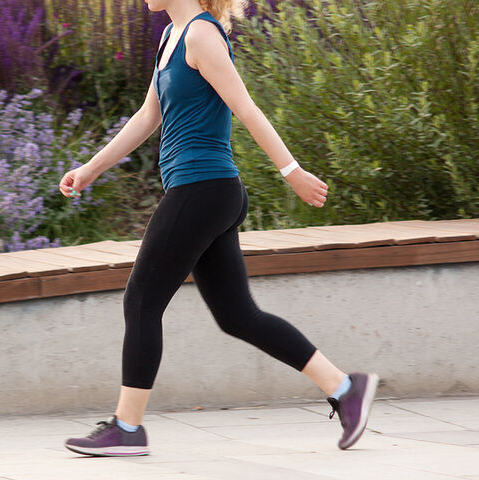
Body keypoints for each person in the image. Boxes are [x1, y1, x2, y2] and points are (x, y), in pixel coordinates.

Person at [57, 0, 378, 456]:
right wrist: (91, 169)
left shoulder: (201, 36)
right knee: (237, 316)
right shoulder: (170, 37)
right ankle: (345, 389)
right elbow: (148, 117)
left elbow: (246, 108)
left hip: (202, 189)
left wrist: (292, 172)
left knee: (141, 301)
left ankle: (127, 428)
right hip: (208, 192)